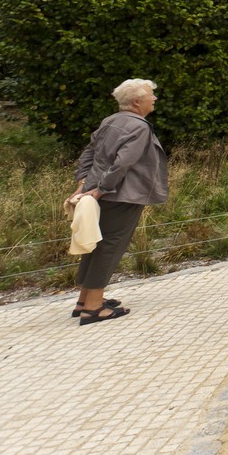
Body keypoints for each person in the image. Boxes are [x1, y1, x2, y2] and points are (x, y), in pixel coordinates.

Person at [65, 78, 169, 325]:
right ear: (136, 102)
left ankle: (85, 300)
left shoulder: (109, 121)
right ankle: (93, 308)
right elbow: (123, 163)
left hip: (96, 191)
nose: (154, 99)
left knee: (95, 242)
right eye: (150, 95)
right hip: (122, 195)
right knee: (110, 245)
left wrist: (83, 183)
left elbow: (88, 153)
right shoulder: (139, 127)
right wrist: (101, 190)